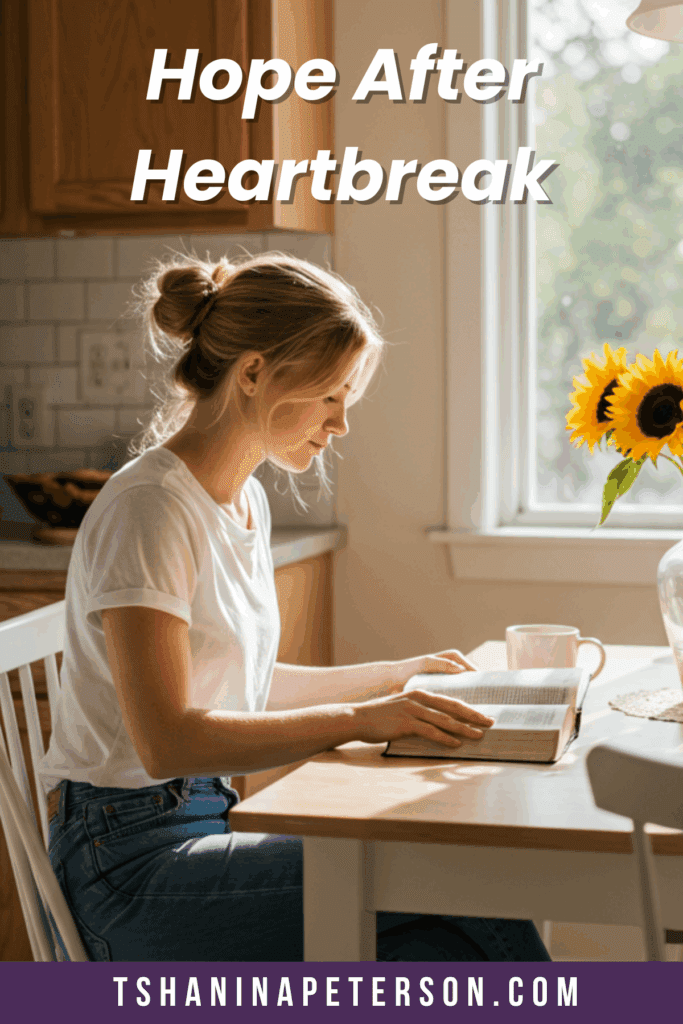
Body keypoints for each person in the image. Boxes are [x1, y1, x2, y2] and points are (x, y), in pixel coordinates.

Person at [38, 252, 550, 962]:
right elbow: (168, 740)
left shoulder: (242, 500)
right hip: (126, 869)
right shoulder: (149, 508)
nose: (340, 424)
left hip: (201, 829)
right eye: (329, 396)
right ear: (252, 373)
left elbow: (238, 685)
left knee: (443, 943)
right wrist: (362, 718)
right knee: (452, 874)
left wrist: (393, 679)